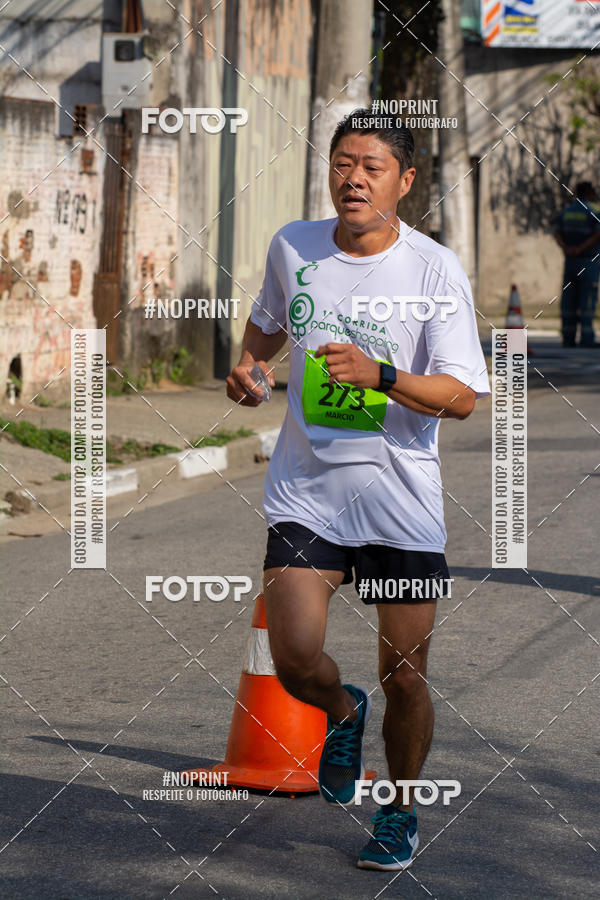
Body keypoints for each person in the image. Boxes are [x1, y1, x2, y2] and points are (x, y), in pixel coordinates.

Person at [226, 108, 490, 871]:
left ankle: (400, 813)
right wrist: (248, 371)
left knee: (405, 677)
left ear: (404, 182)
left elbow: (464, 396)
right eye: (343, 162)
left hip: (399, 500)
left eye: (372, 166)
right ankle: (342, 715)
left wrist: (382, 376)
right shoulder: (294, 244)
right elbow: (266, 329)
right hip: (307, 489)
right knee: (296, 655)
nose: (353, 178)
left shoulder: (434, 269)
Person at [553, 181, 600, 347]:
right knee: (587, 300)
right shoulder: (595, 211)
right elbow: (597, 235)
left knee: (569, 300)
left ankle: (568, 337)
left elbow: (557, 232)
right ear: (589, 193)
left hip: (570, 261)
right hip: (588, 260)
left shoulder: (566, 212)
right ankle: (587, 338)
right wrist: (580, 248)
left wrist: (567, 248)